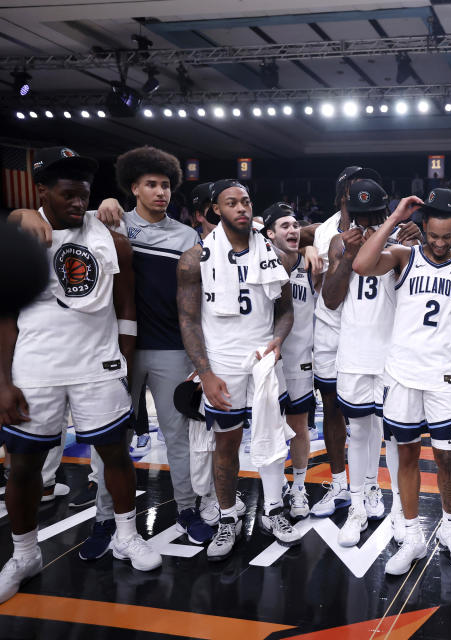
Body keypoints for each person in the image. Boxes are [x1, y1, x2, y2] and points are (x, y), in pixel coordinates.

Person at [9, 146, 214, 555]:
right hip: (119, 349)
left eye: (167, 185)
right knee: (109, 444)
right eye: (151, 184)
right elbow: (37, 219)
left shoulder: (186, 235)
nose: (161, 192)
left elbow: (196, 299)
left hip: (170, 346)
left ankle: (188, 509)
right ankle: (105, 520)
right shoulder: (112, 224)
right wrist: (23, 213)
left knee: (177, 436)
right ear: (133, 187)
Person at [0, 147, 161, 603]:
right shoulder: (22, 236)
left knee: (116, 455)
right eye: (66, 193)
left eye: (83, 194)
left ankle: (127, 534)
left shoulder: (112, 237)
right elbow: (5, 314)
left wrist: (124, 357)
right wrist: (3, 381)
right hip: (37, 367)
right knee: (25, 467)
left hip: (98, 365)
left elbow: (126, 304)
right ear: (42, 191)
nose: (76, 202)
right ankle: (24, 553)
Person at [353, 188, 451, 575]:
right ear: (422, 228)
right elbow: (361, 264)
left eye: (448, 237)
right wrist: (394, 219)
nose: (441, 244)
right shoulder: (403, 256)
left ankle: (448, 526)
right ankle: (411, 534)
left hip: (443, 375)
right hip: (402, 373)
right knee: (407, 455)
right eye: (434, 236)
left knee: (447, 458)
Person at [177, 179, 299, 561]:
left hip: (262, 361)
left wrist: (278, 341)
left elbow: (285, 311)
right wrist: (206, 373)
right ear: (217, 209)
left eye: (246, 200)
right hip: (223, 365)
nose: (242, 208)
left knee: (273, 441)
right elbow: (189, 320)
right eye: (232, 203)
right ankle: (228, 517)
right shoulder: (195, 258)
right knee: (226, 445)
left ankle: (274, 511)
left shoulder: (274, 254)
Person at [321, 179, 416, 545]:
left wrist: (403, 242)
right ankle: (358, 506)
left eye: (373, 215)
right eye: (360, 217)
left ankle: (395, 509)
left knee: (392, 435)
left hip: (392, 353)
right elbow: (330, 299)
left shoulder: (402, 244)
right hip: (355, 351)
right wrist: (345, 257)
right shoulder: (339, 243)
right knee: (359, 431)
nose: (366, 223)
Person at [260, 203, 315, 521]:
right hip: (268, 361)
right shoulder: (260, 262)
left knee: (299, 427)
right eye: (284, 225)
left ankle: (298, 488)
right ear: (269, 234)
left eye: (295, 225)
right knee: (268, 429)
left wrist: (312, 244)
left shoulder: (310, 265)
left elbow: (318, 228)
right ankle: (273, 489)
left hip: (299, 360)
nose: (292, 230)